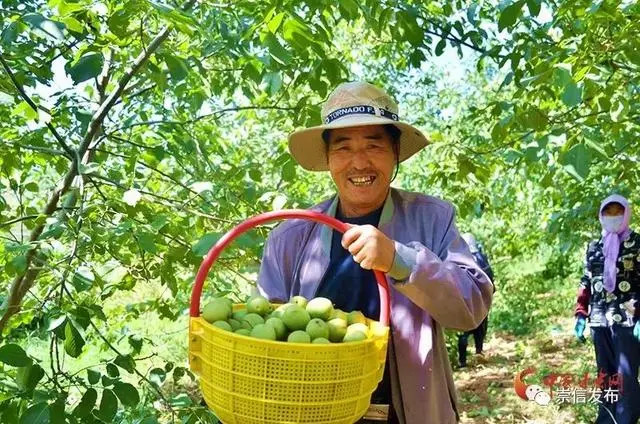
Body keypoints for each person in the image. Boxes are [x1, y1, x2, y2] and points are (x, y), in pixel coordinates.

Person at [257, 81, 493, 424]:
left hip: (406, 412)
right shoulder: (291, 238)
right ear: (327, 157)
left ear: (395, 150)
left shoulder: (433, 218)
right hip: (316, 411)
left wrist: (400, 259)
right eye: (343, 148)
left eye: (373, 145)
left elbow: (470, 309)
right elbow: (268, 332)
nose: (359, 162)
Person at [574, 194, 640, 424]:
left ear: (626, 214)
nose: (613, 217)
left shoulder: (637, 243)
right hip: (599, 319)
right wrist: (581, 314)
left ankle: (626, 418)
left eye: (617, 212)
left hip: (628, 320)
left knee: (626, 375)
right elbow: (586, 280)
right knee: (605, 373)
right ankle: (607, 417)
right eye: (608, 213)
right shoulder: (594, 246)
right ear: (601, 216)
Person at [458, 233, 494, 367]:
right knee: (479, 328)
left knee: (463, 331)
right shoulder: (481, 257)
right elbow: (490, 277)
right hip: (480, 299)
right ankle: (478, 353)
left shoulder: (459, 257)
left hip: (464, 300)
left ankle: (463, 361)